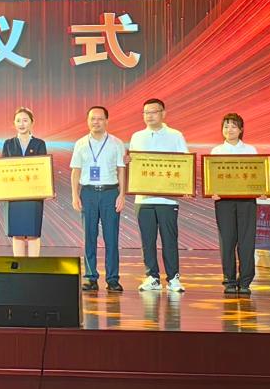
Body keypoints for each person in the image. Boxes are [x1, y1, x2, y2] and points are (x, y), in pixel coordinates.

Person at [130, 98, 189, 293]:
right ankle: (152, 277)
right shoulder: (137, 136)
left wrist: (185, 186)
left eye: (153, 112)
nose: (149, 116)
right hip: (143, 198)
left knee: (169, 240)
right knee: (147, 240)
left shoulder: (175, 135)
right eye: (146, 112)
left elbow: (184, 163)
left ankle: (173, 278)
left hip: (167, 199)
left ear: (163, 113)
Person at [70, 105, 126, 292]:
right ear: (87, 121)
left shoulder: (116, 143)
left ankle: (113, 279)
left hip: (110, 193)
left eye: (100, 119)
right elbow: (76, 171)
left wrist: (122, 194)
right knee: (89, 237)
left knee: (112, 238)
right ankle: (90, 277)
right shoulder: (80, 143)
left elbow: (121, 170)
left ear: (106, 121)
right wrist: (75, 195)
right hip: (88, 193)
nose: (96, 122)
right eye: (92, 119)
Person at [209, 113, 258, 296]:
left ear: (241, 129)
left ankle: (245, 281)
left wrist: (262, 188)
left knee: (246, 241)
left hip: (247, 201)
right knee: (227, 241)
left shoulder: (251, 150)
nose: (229, 130)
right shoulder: (216, 151)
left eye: (233, 126)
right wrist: (212, 190)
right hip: (224, 202)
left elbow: (258, 175)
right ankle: (229, 280)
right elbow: (211, 176)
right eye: (226, 126)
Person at [2, 107, 48, 258]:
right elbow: (1, 170)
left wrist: (47, 189)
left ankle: (33, 268)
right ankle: (20, 267)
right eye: (18, 121)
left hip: (33, 194)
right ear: (14, 123)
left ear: (32, 122)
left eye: (25, 120)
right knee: (17, 233)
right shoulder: (8, 144)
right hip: (14, 195)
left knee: (33, 233)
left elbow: (43, 170)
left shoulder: (39, 144)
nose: (21, 124)